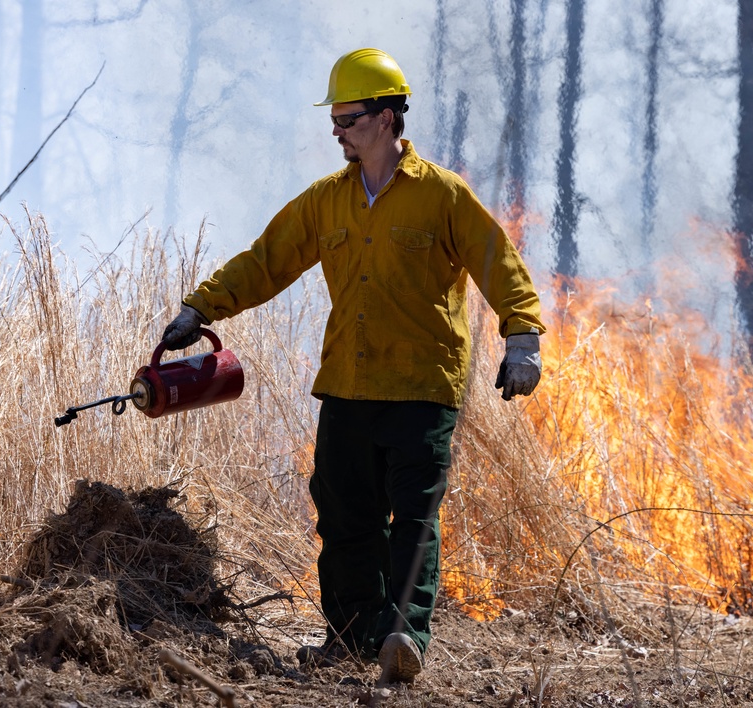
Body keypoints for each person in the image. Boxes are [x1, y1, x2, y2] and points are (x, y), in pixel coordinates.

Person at [162, 47, 545, 683]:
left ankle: (404, 638)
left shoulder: (442, 196)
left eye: (348, 118)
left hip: (422, 389)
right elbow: (267, 261)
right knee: (344, 517)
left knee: (413, 519)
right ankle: (349, 639)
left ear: (389, 116)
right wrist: (199, 306)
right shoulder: (325, 202)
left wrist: (523, 341)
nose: (336, 130)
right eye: (334, 120)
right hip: (347, 386)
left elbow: (498, 264)